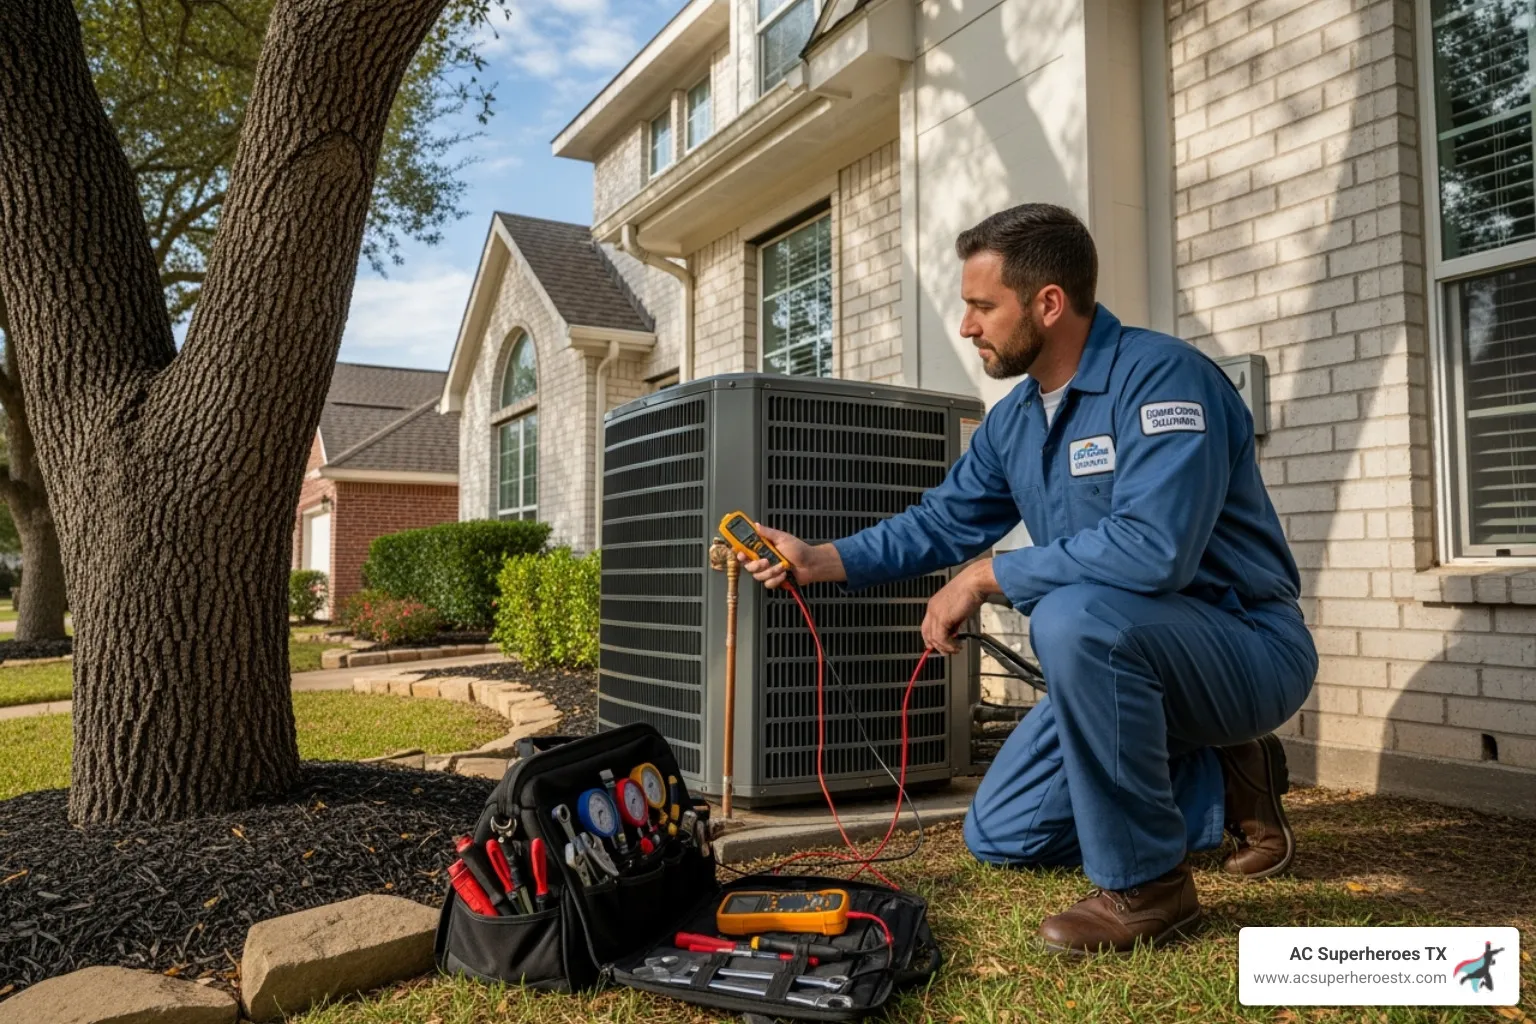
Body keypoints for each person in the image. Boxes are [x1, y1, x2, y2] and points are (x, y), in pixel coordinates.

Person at [738, 203, 1318, 955]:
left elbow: (1154, 552)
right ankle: (1220, 777)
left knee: (1071, 615)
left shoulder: (1163, 379)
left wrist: (988, 574)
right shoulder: (1015, 422)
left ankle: (1149, 886)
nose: (967, 326)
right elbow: (940, 522)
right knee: (1001, 832)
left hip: (1246, 649)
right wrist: (819, 560)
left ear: (1047, 303)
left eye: (982, 306)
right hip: (1124, 665)